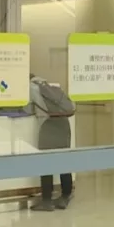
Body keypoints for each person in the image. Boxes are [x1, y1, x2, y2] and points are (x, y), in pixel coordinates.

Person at [29, 75, 76, 211]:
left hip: (48, 124)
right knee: (64, 162)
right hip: (64, 123)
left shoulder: (30, 88)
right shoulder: (51, 86)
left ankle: (47, 201)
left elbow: (27, 109)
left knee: (46, 163)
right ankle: (65, 196)